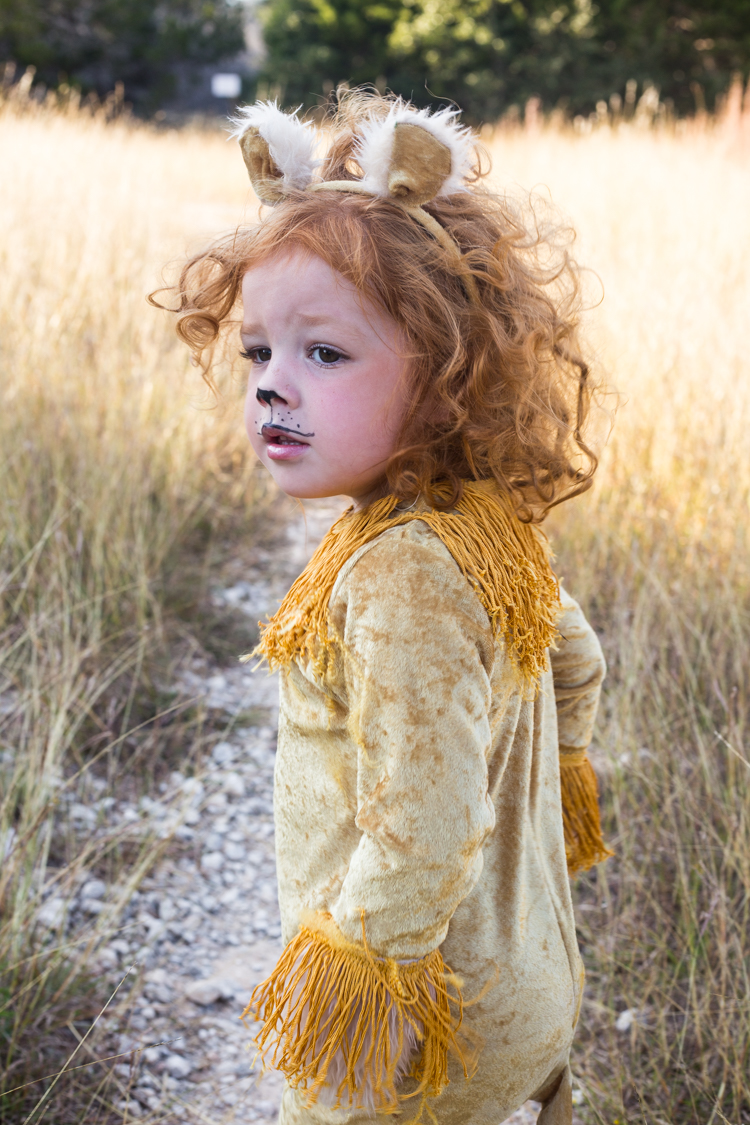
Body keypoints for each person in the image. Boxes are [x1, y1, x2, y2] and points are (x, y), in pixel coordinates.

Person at [157, 89, 612, 1125]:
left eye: (325, 353)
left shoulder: (401, 574)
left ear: (450, 381)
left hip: (416, 1044)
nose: (274, 385)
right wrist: (563, 775)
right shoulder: (482, 522)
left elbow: (425, 825)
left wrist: (363, 988)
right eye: (258, 352)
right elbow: (576, 662)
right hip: (523, 995)